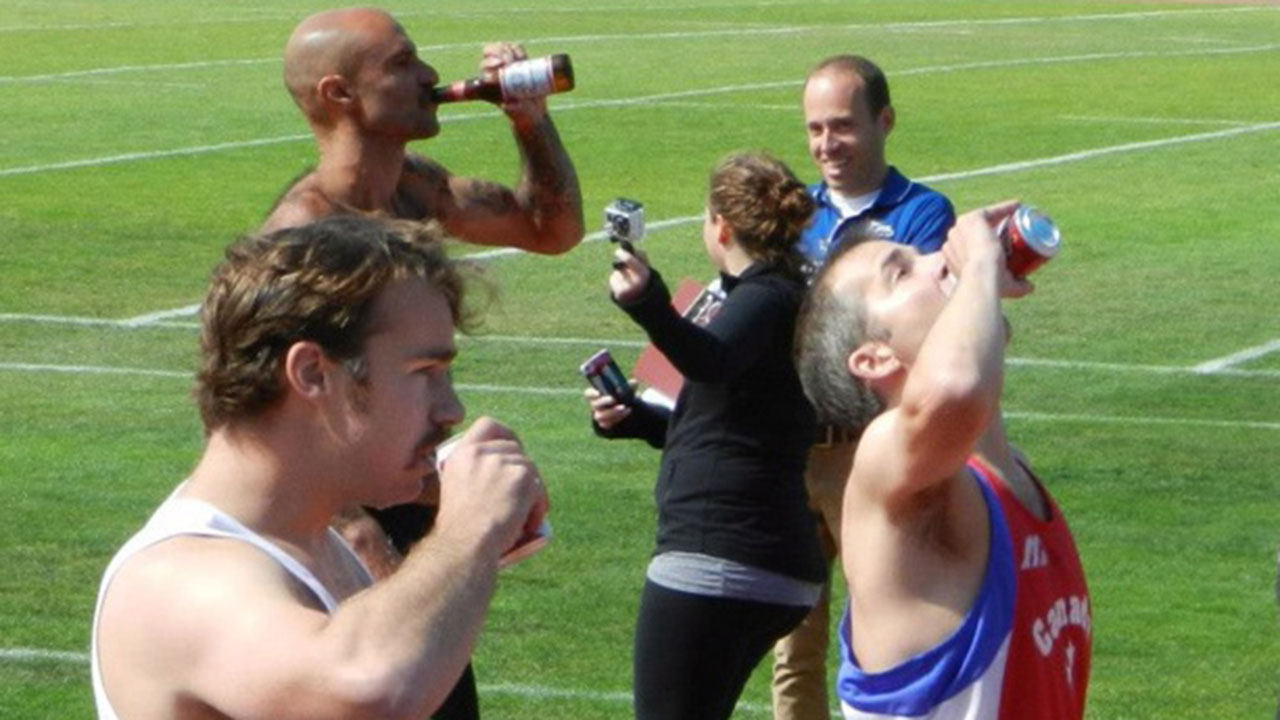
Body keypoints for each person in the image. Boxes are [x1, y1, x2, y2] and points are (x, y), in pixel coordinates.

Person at [91, 216, 548, 720]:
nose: (451, 410)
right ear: (312, 373)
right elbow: (369, 688)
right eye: (424, 372)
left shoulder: (313, 541)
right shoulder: (173, 580)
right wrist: (467, 532)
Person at [792, 202, 1092, 718]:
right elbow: (955, 391)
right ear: (874, 358)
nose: (938, 262)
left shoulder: (1010, 474)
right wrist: (977, 269)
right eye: (902, 272)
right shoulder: (886, 467)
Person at [587, 152, 826, 720]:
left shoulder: (766, 296)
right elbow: (730, 424)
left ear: (720, 226)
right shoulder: (774, 296)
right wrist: (637, 419)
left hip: (721, 554)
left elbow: (710, 360)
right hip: (761, 556)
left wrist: (648, 302)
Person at [773, 53, 956, 720]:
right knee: (792, 644)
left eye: (843, 126)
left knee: (884, 628)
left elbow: (903, 334)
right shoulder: (794, 212)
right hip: (794, 448)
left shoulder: (920, 216)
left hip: (872, 453)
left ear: (885, 121)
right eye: (815, 129)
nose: (827, 144)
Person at [261, 6, 584, 257]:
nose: (430, 75)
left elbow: (551, 233)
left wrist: (531, 121)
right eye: (402, 63)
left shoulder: (413, 186)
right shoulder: (303, 234)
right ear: (339, 93)